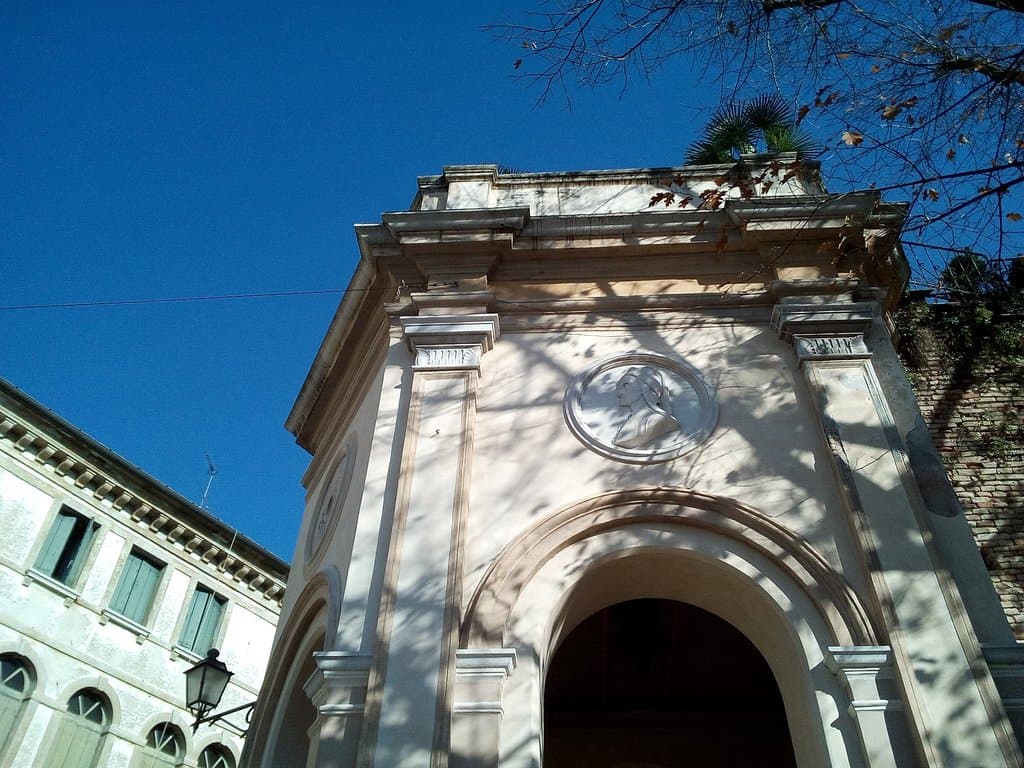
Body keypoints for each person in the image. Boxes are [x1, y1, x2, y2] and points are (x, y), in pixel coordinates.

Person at [612, 366, 681, 449]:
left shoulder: (658, 419)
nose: (620, 393)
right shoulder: (628, 421)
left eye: (626, 385)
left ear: (644, 388)